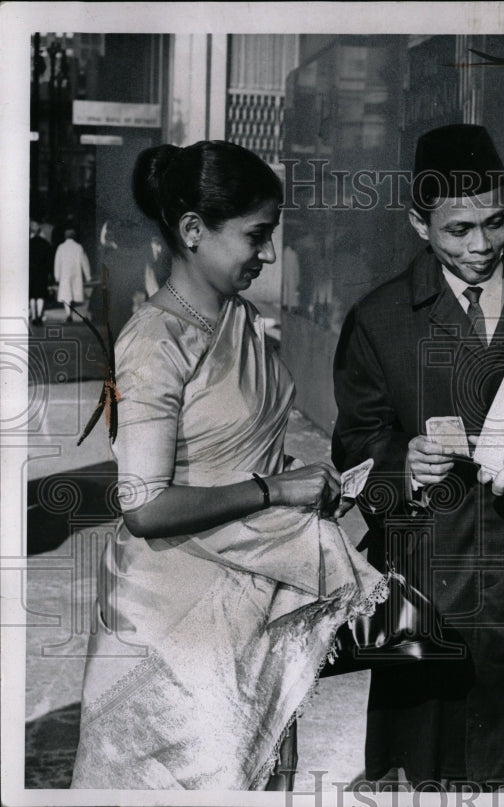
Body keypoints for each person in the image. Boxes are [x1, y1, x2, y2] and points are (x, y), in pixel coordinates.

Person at [71, 141, 386, 791]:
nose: (269, 254)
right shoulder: (155, 342)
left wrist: (302, 484)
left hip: (254, 601)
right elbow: (145, 505)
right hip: (173, 621)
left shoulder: (243, 320)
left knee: (266, 774)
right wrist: (274, 487)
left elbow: (238, 448)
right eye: (256, 235)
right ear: (193, 231)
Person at [332, 123, 504, 789]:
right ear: (418, 224)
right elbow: (356, 442)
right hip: (439, 582)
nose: (482, 245)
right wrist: (405, 466)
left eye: (495, 221)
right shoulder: (381, 319)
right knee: (436, 766)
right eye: (459, 230)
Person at [53, 226, 90, 321]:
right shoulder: (78, 247)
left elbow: (57, 262)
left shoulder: (61, 247)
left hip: (64, 273)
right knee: (75, 292)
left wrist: (57, 276)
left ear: (65, 237)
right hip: (76, 273)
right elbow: (84, 261)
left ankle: (68, 313)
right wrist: (87, 275)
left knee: (66, 294)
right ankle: (73, 312)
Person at [29, 218, 54, 326]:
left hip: (31, 272)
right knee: (40, 295)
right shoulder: (46, 244)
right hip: (42, 273)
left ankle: (34, 316)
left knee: (32, 295)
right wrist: (50, 273)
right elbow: (49, 261)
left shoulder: (28, 243)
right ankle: (39, 315)